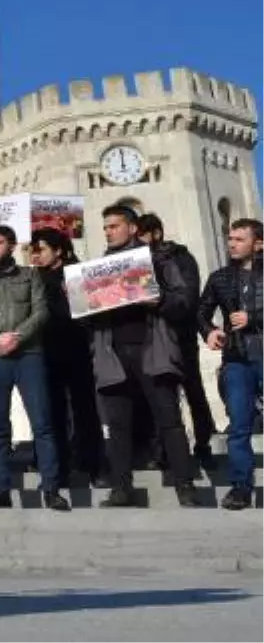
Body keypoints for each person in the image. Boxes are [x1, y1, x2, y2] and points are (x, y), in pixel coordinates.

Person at [89, 205, 199, 508]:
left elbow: (184, 300)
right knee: (118, 425)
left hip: (153, 350)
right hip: (113, 353)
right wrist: (77, 298)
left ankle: (184, 485)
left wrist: (158, 300)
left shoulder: (159, 261)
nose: (108, 232)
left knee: (169, 419)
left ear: (132, 228)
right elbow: (86, 319)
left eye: (114, 226)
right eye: (106, 227)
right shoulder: (98, 268)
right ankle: (122, 488)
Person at [0, 225, 70, 512]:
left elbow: (41, 311)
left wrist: (17, 336)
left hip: (28, 355)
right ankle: (1, 489)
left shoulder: (30, 275)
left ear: (11, 245)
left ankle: (51, 489)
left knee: (42, 423)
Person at [138, 213, 216, 471]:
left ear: (155, 233)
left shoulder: (180, 258)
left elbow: (189, 297)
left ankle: (204, 444)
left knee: (193, 390)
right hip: (152, 337)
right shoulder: (137, 261)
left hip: (180, 334)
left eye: (142, 235)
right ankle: (162, 450)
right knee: (161, 395)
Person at [197, 218, 264, 510]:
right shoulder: (220, 277)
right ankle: (240, 488)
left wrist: (255, 319)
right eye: (230, 239)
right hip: (237, 359)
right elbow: (200, 311)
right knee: (239, 426)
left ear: (258, 244)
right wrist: (210, 331)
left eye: (239, 239)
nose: (232, 244)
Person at [29, 228, 105, 486]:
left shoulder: (78, 273)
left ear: (58, 250)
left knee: (85, 409)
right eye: (33, 251)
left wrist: (71, 295)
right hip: (45, 352)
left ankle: (93, 465)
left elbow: (90, 312)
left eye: (41, 249)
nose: (36, 256)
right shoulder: (33, 278)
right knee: (52, 412)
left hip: (77, 348)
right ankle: (56, 468)